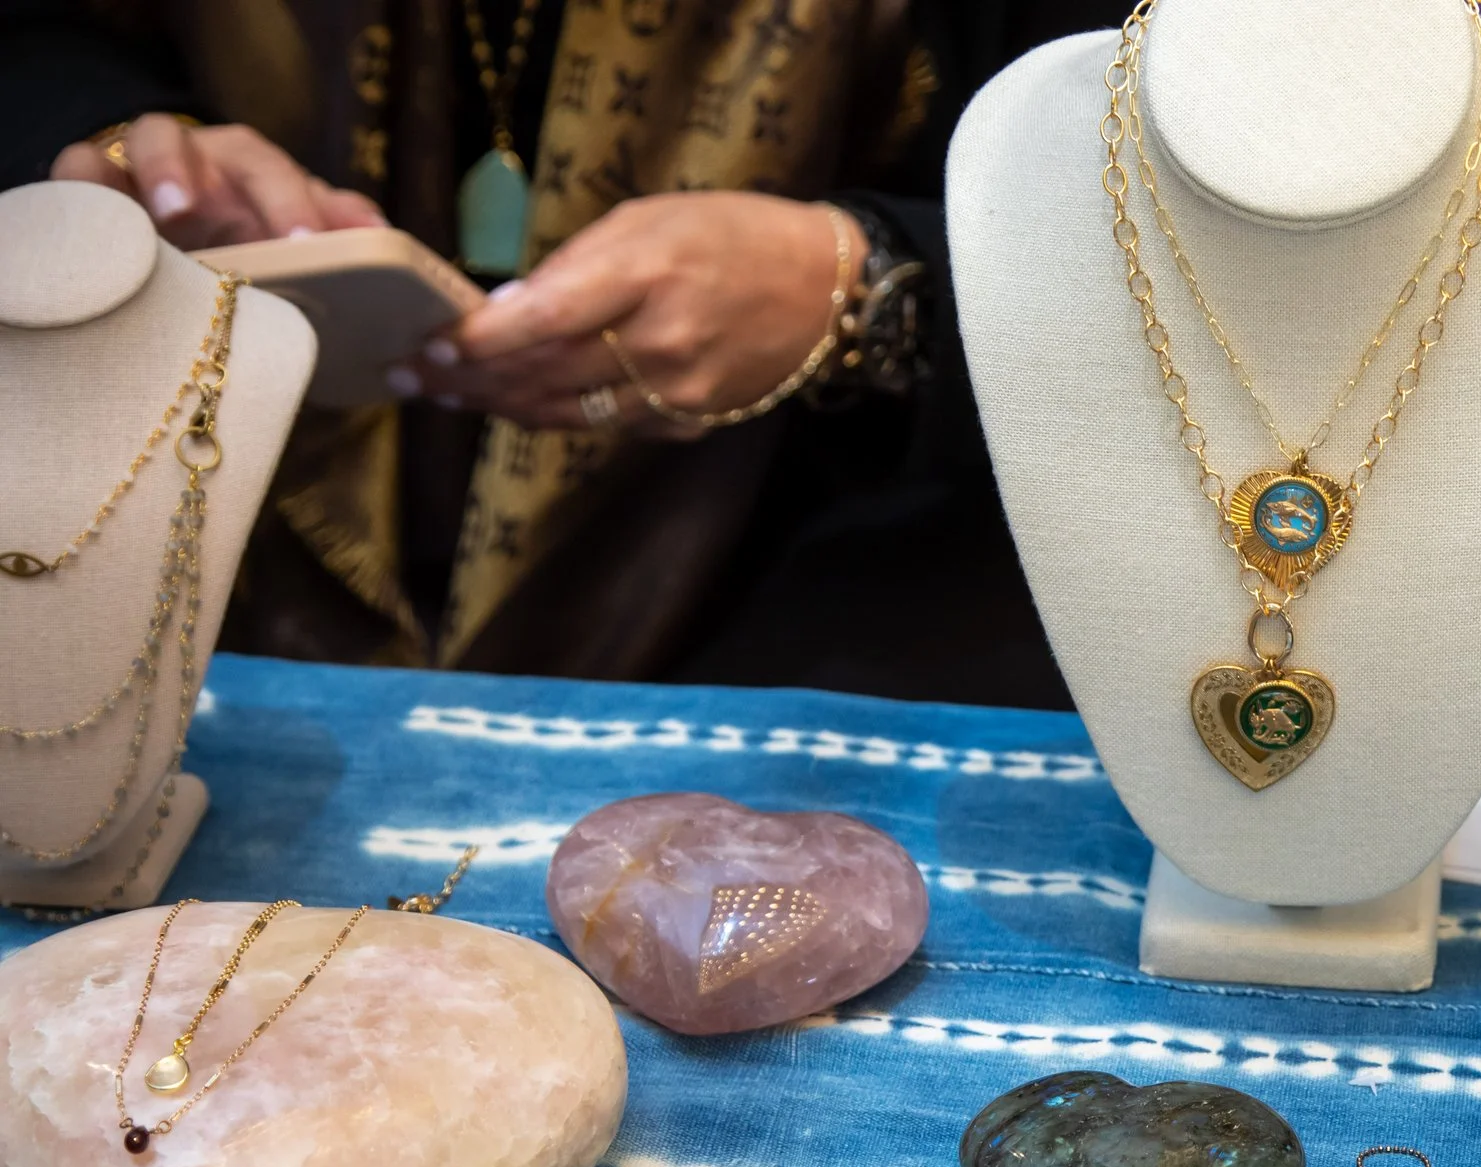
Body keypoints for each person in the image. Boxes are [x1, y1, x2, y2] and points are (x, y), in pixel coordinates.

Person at [4, 0, 1110, 706]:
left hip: (830, 609)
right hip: (208, 608)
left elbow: (1161, 215)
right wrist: (117, 143)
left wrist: (870, 279)